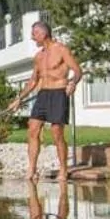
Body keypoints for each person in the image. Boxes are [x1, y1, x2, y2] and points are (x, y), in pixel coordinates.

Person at [14, 21, 81, 180]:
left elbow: (78, 71)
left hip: (59, 92)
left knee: (57, 133)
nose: (32, 38)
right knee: (32, 129)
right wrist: (19, 98)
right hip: (43, 94)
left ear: (43, 33)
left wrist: (73, 83)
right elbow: (33, 81)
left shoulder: (61, 50)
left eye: (34, 34)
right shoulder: (39, 56)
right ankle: (32, 169)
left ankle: (63, 169)